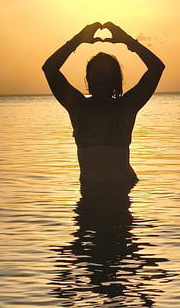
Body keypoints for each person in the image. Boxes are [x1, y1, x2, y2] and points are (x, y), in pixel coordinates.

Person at [42, 21, 164, 188]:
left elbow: (157, 68)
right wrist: (78, 39)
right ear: (88, 79)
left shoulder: (126, 106)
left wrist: (128, 40)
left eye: (107, 75)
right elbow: (49, 69)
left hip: (123, 190)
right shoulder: (78, 106)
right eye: (97, 75)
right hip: (89, 194)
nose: (101, 80)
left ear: (115, 81)